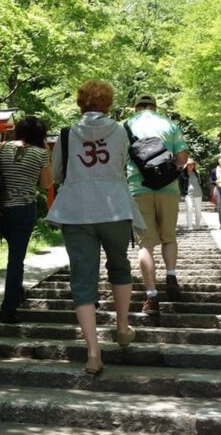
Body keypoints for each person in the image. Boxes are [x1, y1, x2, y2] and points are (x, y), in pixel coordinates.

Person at [46, 80, 144, 375]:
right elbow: (125, 164)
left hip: (77, 212)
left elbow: (57, 175)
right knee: (120, 266)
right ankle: (123, 328)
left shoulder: (66, 134)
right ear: (109, 103)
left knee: (82, 279)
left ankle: (92, 352)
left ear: (80, 103)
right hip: (115, 209)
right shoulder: (122, 131)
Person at [125, 94, 189, 314]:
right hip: (168, 188)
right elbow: (182, 159)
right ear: (155, 106)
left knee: (146, 244)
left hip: (138, 188)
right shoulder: (168, 124)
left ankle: (151, 297)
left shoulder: (126, 126)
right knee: (168, 237)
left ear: (135, 108)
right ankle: (171, 276)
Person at [0, 116, 53, 324]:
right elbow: (47, 184)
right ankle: (9, 307)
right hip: (24, 209)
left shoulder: (1, 147)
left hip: (1, 210)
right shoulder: (40, 153)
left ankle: (17, 290)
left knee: (14, 252)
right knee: (16, 259)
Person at [179, 157, 204, 230]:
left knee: (198, 210)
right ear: (186, 166)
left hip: (198, 194)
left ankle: (198, 225)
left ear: (194, 165)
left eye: (192, 164)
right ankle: (190, 225)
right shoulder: (183, 175)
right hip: (188, 195)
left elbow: (201, 183)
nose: (190, 166)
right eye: (189, 164)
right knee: (189, 209)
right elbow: (180, 185)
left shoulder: (197, 173)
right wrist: (183, 193)